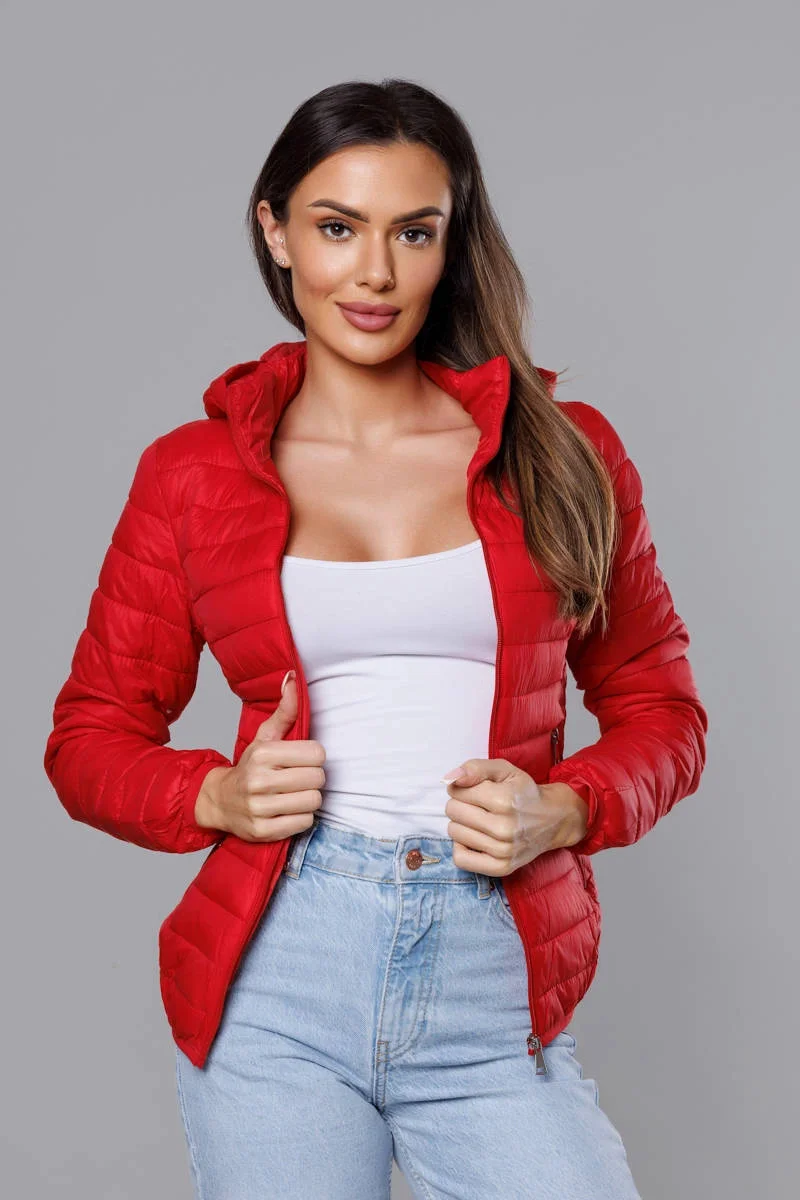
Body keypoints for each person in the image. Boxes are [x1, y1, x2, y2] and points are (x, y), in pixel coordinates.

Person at [44, 78, 708, 1199]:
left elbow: (662, 710)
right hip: (282, 970)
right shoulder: (191, 476)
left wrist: (566, 808)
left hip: (489, 973)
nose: (375, 274)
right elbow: (89, 737)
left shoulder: (564, 452)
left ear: (452, 243)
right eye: (337, 228)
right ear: (276, 232)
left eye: (413, 232)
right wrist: (215, 796)